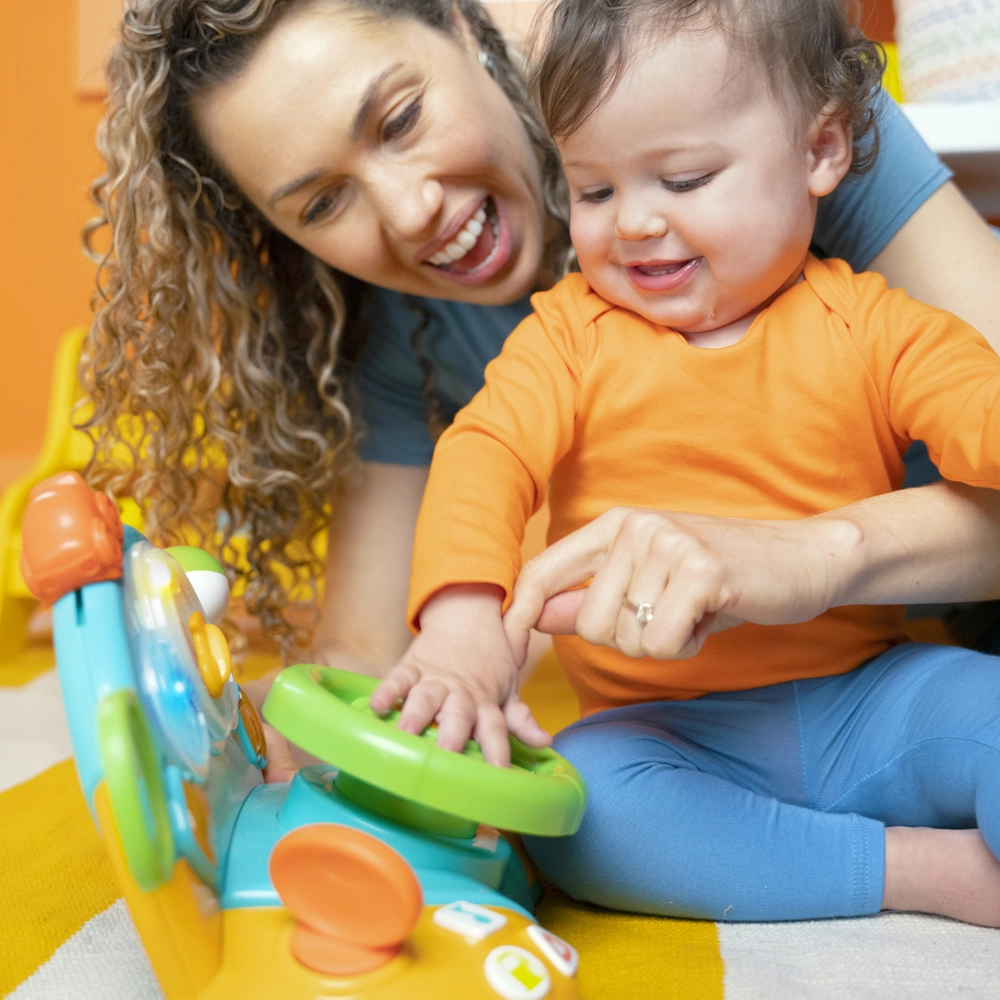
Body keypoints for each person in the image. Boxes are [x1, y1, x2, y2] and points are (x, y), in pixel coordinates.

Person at [83, 0, 1000, 781]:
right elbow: (366, 651)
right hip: (698, 725)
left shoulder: (748, 92)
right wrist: (233, 724)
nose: (410, 211)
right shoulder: (409, 331)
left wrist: (810, 554)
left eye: (400, 119)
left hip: (923, 655)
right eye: (323, 203)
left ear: (460, 26)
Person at [369, 0, 1000, 926]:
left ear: (822, 149)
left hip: (875, 702)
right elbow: (486, 452)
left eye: (685, 178)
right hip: (666, 732)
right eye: (593, 191)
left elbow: (981, 411)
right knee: (578, 805)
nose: (633, 222)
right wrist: (462, 623)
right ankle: (926, 872)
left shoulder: (879, 327)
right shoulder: (567, 338)